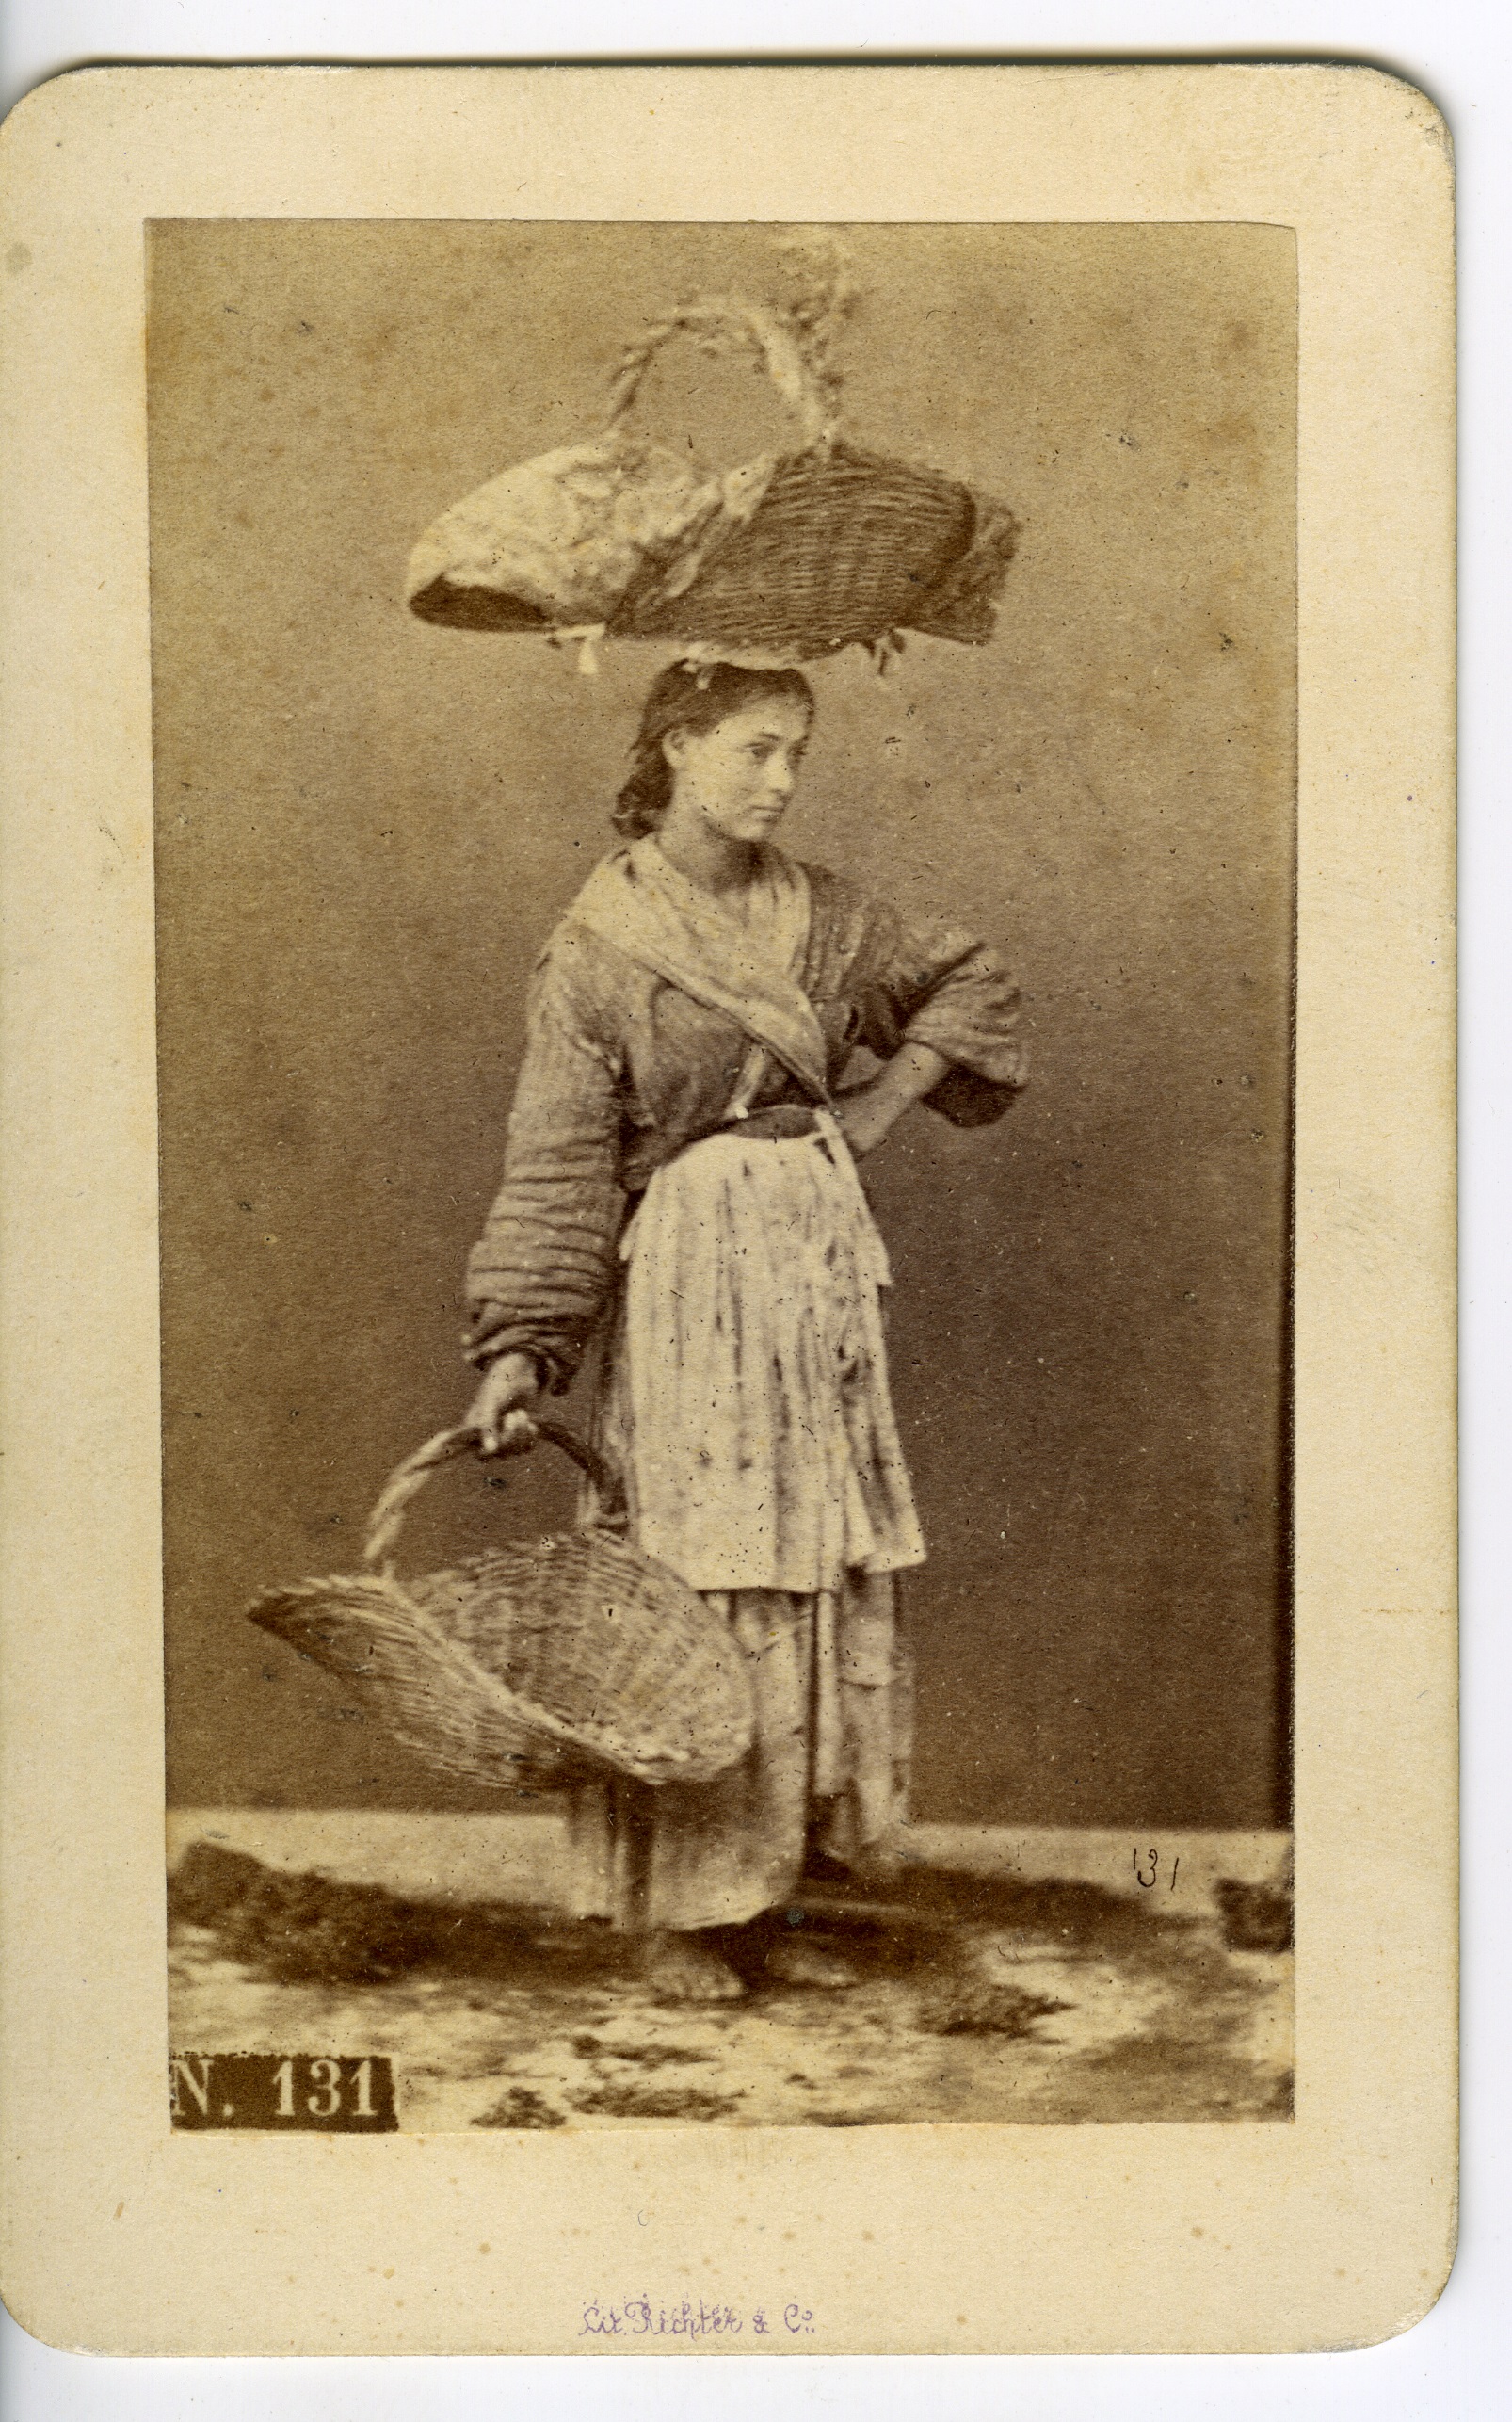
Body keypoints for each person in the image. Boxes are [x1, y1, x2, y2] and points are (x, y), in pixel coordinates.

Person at [463, 657, 1026, 2001]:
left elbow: (970, 981)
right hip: (691, 1283)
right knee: (706, 1567)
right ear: (674, 745)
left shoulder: (828, 918)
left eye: (795, 755)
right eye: (754, 749)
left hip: (811, 1265)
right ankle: (680, 1907)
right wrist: (519, 1349)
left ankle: (771, 1890)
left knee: (814, 1562)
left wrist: (877, 1108)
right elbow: (558, 1168)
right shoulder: (599, 949)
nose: (780, 781)